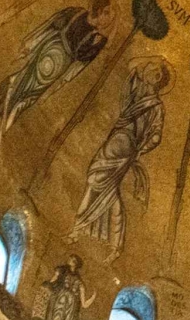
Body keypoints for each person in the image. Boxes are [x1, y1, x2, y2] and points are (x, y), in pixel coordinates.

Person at [72, 61, 170, 260]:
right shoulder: (138, 93)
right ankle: (113, 243)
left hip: (124, 146)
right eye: (150, 68)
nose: (150, 72)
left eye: (154, 71)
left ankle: (79, 228)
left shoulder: (156, 105)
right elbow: (131, 78)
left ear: (158, 79)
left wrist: (141, 149)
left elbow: (156, 135)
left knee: (96, 183)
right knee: (106, 189)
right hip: (116, 141)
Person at [0, 0, 113, 149]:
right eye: (107, 14)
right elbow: (53, 28)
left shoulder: (79, 17)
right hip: (54, 57)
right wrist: (32, 43)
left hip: (54, 55)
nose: (108, 21)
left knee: (24, 88)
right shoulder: (86, 26)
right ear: (100, 11)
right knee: (25, 91)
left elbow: (53, 28)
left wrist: (34, 43)